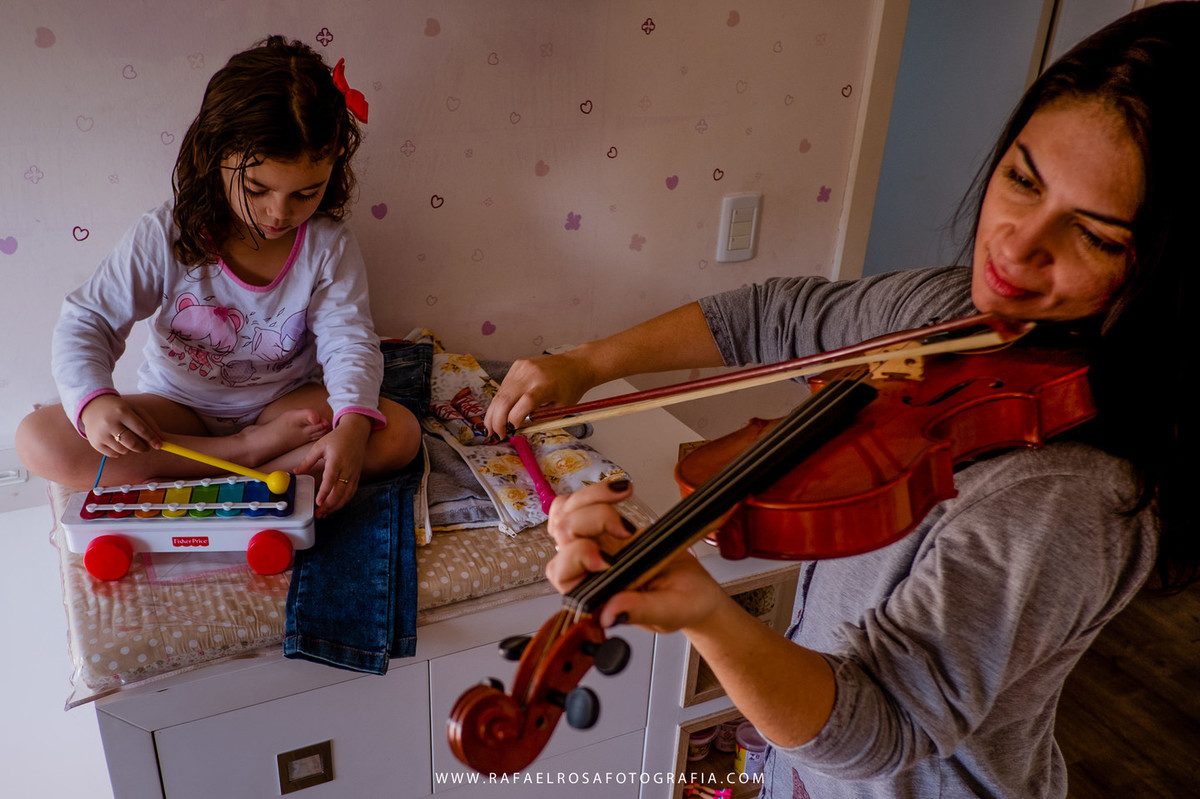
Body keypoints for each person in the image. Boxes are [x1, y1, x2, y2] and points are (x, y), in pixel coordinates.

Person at [484, 4, 1198, 797]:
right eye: (1022, 179)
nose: (1017, 245)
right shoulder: (950, 314)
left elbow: (882, 725)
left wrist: (710, 617)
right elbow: (770, 316)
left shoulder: (1070, 496)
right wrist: (585, 363)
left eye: (1095, 235)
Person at [16, 37, 420, 518]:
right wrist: (94, 403)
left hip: (287, 406)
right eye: (257, 188)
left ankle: (217, 468)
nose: (278, 213)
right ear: (215, 155)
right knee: (38, 440)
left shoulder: (328, 244)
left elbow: (349, 341)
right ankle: (247, 460)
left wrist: (352, 425)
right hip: (178, 412)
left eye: (306, 193)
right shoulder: (165, 232)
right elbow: (90, 318)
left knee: (399, 433)